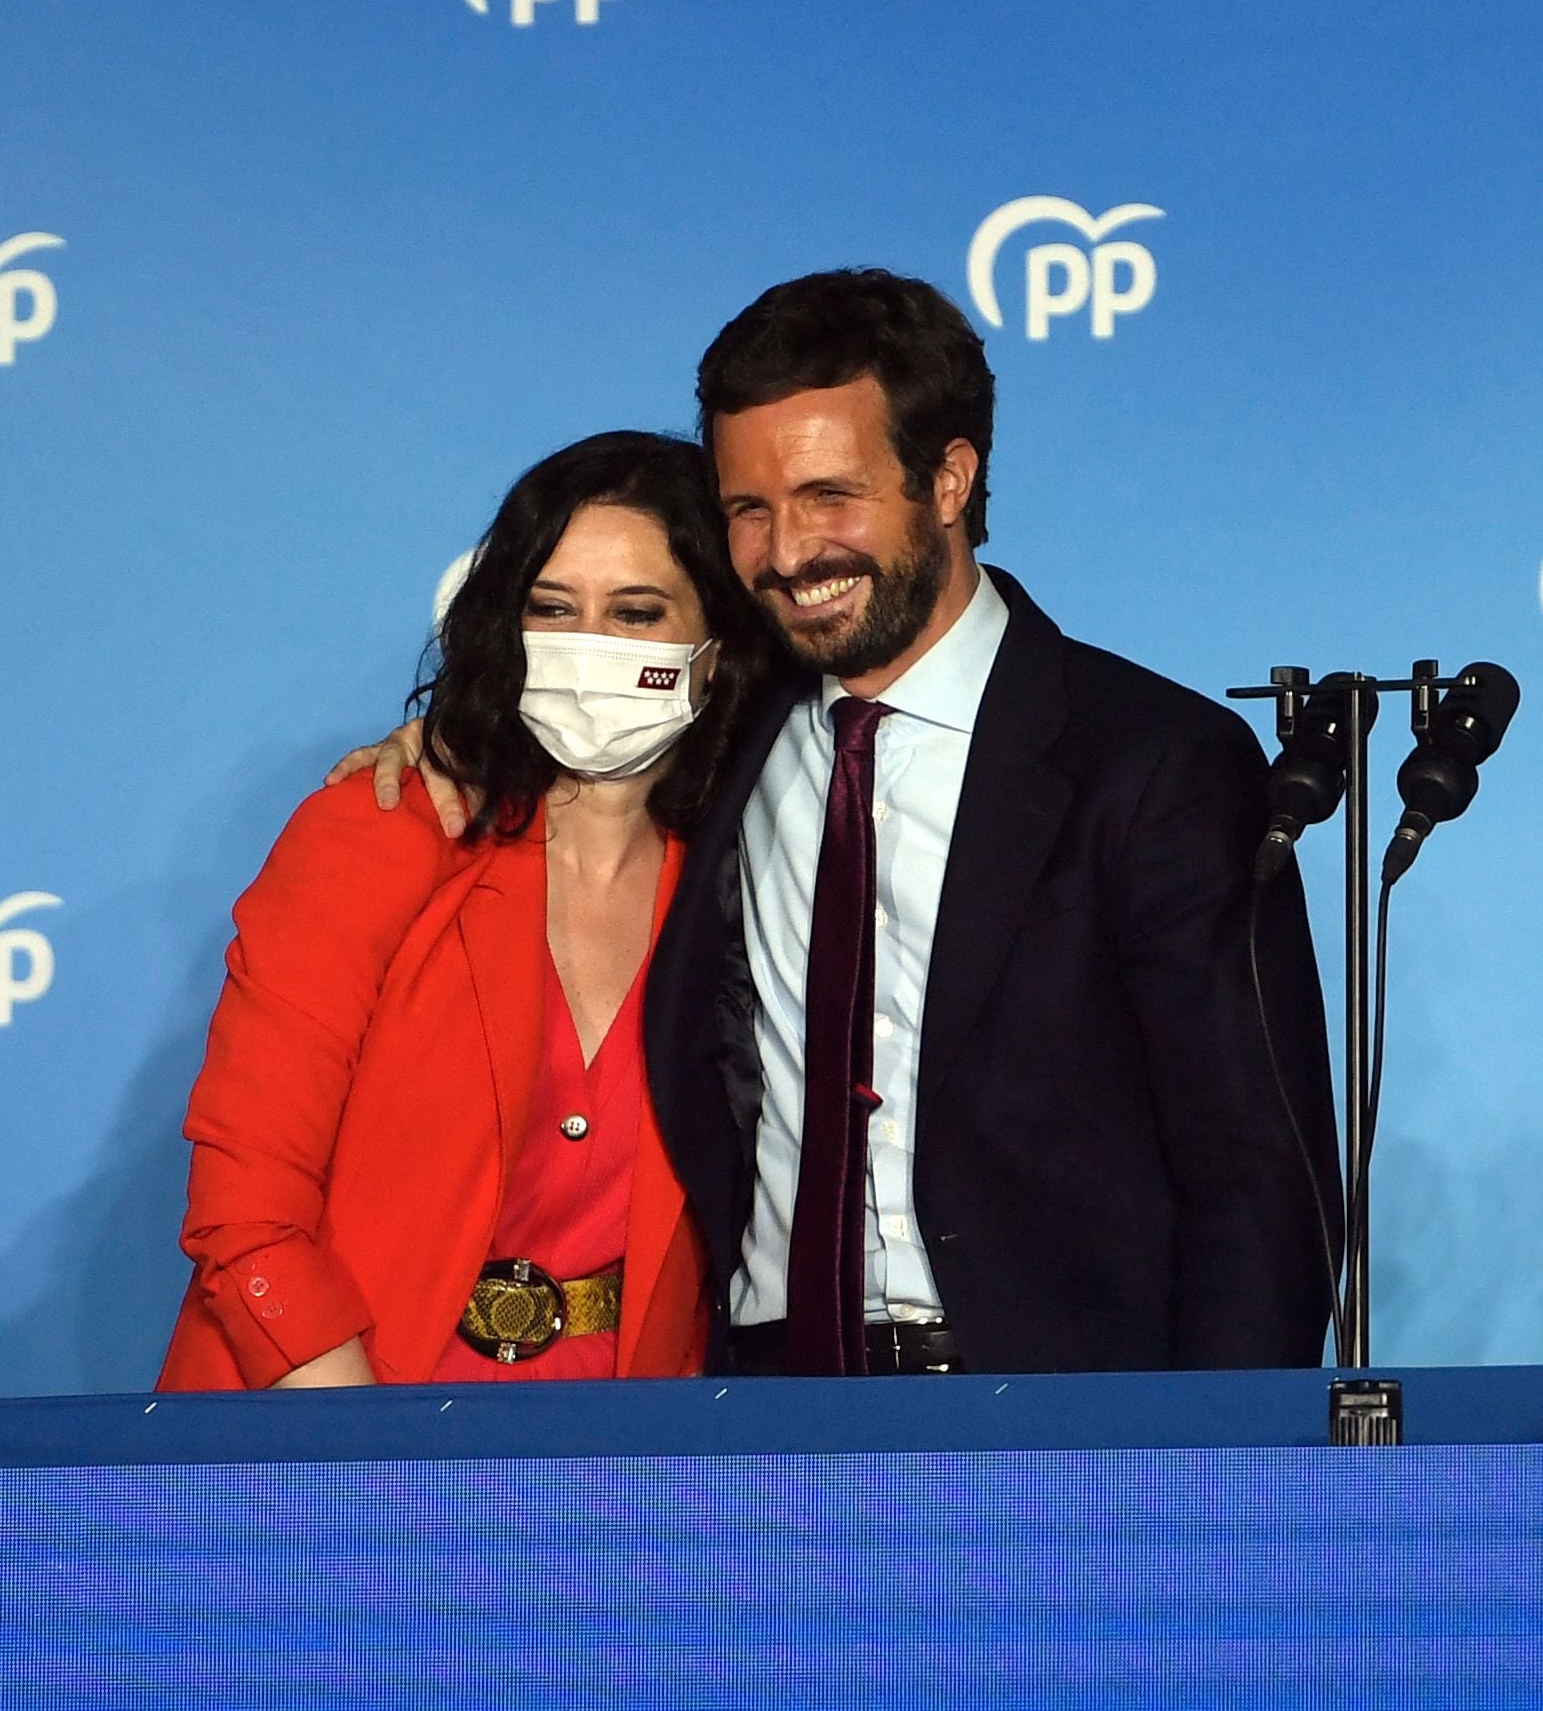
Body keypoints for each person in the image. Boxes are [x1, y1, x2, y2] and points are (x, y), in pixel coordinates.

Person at [351, 271, 1339, 1374]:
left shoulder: (1152, 761)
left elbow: (1257, 1176)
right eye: (748, 509)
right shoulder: (718, 728)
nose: (787, 553)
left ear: (950, 479)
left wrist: (1220, 1461)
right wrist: (443, 744)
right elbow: (574, 732)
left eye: (831, 495)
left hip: (1051, 1406)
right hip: (764, 1401)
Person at [160, 432, 780, 1391]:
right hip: (328, 1421)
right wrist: (364, 1459)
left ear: (718, 645)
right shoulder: (381, 828)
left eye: (636, 612)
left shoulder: (750, 878)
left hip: (628, 1459)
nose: (587, 649)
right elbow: (246, 1207)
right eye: (551, 609)